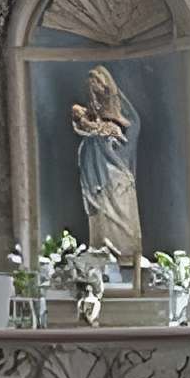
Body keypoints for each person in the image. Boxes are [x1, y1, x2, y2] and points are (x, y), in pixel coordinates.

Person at [70, 64, 144, 266]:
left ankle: (127, 256)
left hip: (116, 164)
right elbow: (84, 124)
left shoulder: (117, 105)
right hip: (94, 164)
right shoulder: (91, 108)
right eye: (90, 82)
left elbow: (133, 125)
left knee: (120, 205)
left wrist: (112, 123)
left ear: (104, 83)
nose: (92, 86)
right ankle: (102, 254)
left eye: (95, 81)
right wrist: (91, 126)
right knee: (100, 207)